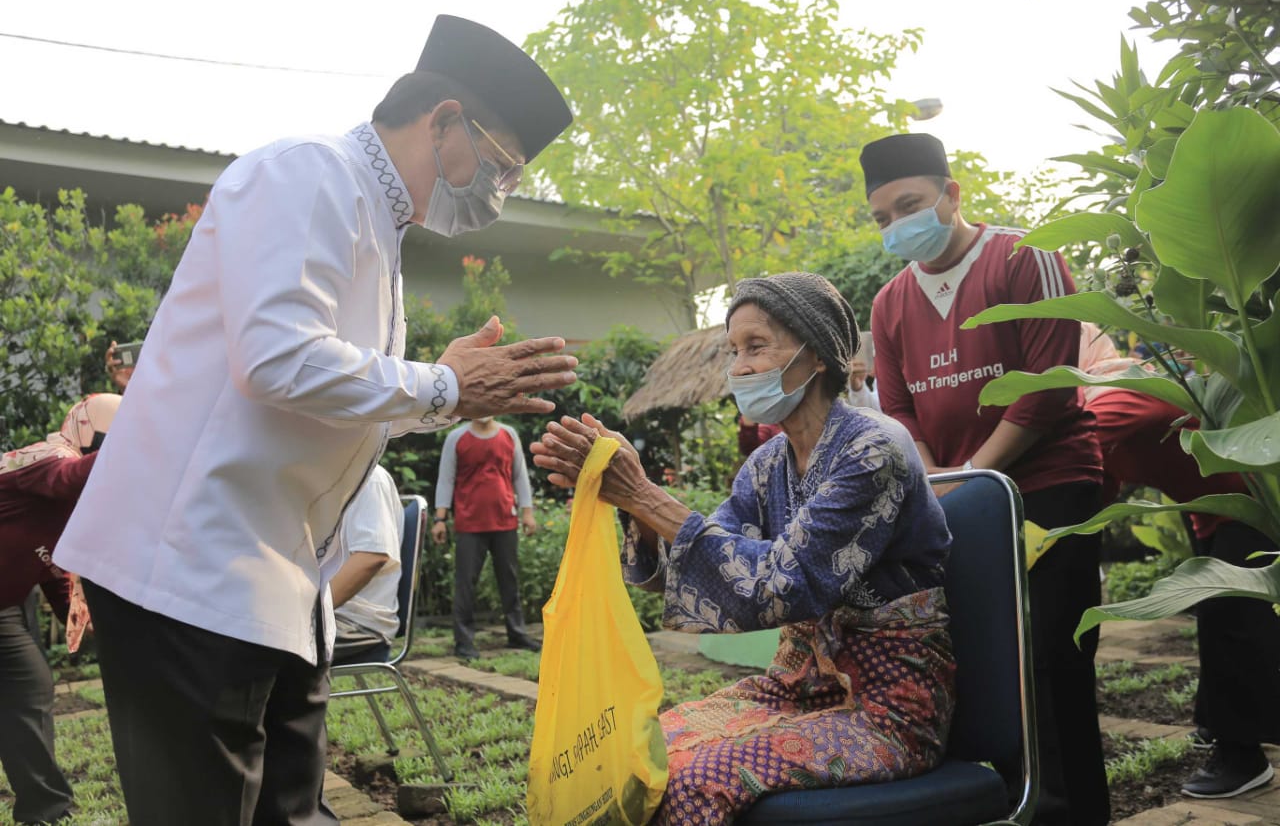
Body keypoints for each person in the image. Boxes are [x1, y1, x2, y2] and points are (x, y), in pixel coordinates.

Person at [52, 15, 577, 825]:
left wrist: (441, 389)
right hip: (188, 574)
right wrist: (440, 384)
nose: (498, 196)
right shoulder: (310, 174)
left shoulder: (379, 227)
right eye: (500, 164)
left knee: (288, 810)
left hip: (276, 587)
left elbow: (333, 406)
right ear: (441, 120)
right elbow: (276, 358)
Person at [533, 273, 956, 825]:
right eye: (734, 350)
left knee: (691, 782)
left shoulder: (873, 450)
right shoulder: (767, 465)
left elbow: (781, 588)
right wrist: (627, 497)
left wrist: (644, 493)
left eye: (757, 347)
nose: (739, 366)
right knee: (632, 758)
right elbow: (703, 562)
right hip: (794, 685)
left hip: (886, 708)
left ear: (819, 354)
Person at [862, 133, 1108, 825]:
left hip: (1049, 488)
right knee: (981, 658)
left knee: (1053, 654)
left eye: (907, 204)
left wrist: (971, 475)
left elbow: (1050, 388)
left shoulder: (1025, 258)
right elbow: (899, 408)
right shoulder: (889, 305)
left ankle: (1072, 811)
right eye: (881, 217)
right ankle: (1008, 800)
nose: (895, 224)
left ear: (952, 192)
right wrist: (944, 480)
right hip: (959, 502)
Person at [1079, 323, 1279, 798]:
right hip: (1210, 511)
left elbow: (1080, 442)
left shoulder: (1128, 383)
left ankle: (1242, 756)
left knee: (1229, 619)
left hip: (1251, 500)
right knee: (1214, 618)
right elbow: (1095, 480)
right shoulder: (1091, 402)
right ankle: (1216, 724)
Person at [1, 393, 119, 825]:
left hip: (10, 597)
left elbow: (51, 562)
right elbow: (67, 479)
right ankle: (47, 811)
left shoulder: (78, 502)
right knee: (28, 687)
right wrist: (140, 444)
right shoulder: (49, 457)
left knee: (27, 692)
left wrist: (85, 620)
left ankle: (45, 811)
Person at [433, 416, 540, 659]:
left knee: (509, 580)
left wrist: (527, 512)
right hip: (469, 523)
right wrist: (440, 519)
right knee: (465, 584)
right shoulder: (456, 437)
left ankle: (517, 634)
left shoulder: (509, 434)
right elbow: (446, 478)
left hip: (505, 520)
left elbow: (520, 476)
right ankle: (463, 642)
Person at [330, 465, 403, 665]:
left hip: (357, 622)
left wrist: (305, 614)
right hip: (329, 615)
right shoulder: (319, 478)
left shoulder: (368, 479)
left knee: (257, 642)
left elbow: (371, 557)